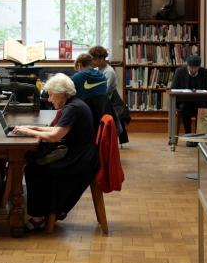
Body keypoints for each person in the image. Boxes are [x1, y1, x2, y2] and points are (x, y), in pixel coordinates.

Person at [12, 73, 100, 232]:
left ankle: (39, 216)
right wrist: (33, 128)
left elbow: (54, 136)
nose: (50, 99)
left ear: (62, 93)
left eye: (52, 95)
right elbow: (57, 129)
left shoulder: (72, 108)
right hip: (83, 154)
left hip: (80, 160)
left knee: (34, 169)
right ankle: (45, 211)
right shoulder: (74, 104)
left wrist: (29, 132)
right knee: (36, 165)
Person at [89, 45, 130, 144]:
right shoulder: (98, 70)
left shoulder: (109, 72)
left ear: (102, 58)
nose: (91, 62)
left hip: (109, 103)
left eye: (94, 59)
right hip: (103, 100)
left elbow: (103, 90)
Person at [171, 55, 207, 146]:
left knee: (203, 109)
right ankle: (188, 136)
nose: (192, 70)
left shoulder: (204, 72)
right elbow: (173, 88)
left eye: (195, 68)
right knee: (184, 108)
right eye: (190, 67)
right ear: (187, 65)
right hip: (184, 102)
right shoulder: (179, 72)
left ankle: (198, 137)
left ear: (199, 67)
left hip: (200, 102)